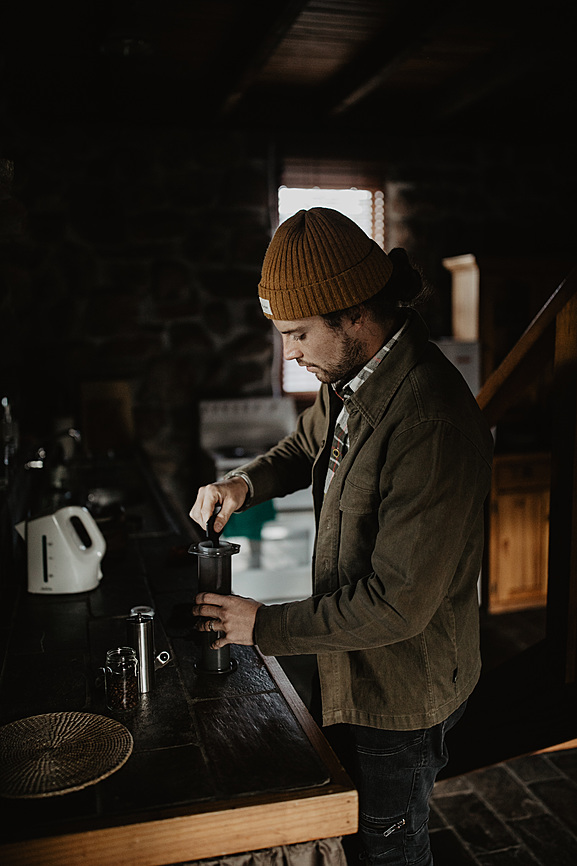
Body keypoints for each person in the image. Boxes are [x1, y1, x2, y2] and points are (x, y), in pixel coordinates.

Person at [190, 207, 493, 865]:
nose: (289, 354)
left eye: (297, 335)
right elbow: (305, 446)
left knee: (391, 850)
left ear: (355, 314)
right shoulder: (352, 376)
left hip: (400, 695)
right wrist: (242, 485)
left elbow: (395, 605)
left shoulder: (427, 422)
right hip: (353, 664)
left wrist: (260, 626)